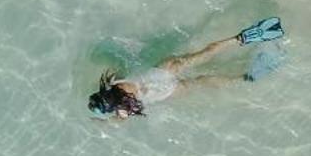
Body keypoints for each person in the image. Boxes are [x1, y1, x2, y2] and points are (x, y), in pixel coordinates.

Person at [88, 18, 286, 118]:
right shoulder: (115, 82)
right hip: (164, 71)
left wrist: (104, 123)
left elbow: (118, 122)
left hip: (167, 90)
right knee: (206, 54)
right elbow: (123, 65)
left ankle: (246, 77)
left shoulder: (124, 111)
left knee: (202, 82)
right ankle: (241, 39)